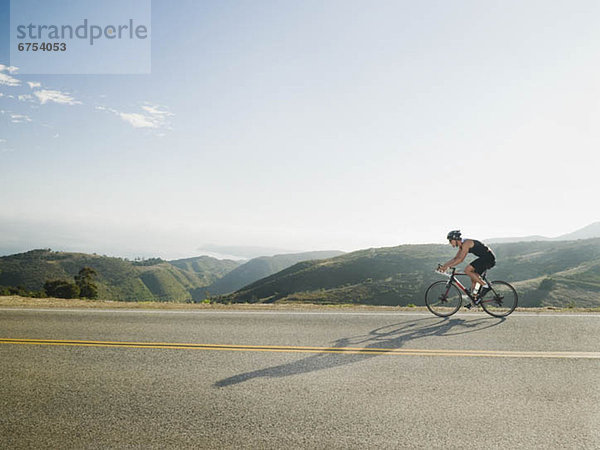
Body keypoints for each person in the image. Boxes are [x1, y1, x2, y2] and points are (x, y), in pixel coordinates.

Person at [439, 230, 496, 302]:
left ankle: (485, 286)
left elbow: (460, 259)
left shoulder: (466, 243)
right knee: (473, 278)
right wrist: (444, 265)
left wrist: (447, 267)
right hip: (484, 258)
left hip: (488, 258)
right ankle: (475, 299)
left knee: (467, 270)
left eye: (450, 241)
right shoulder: (461, 246)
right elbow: (455, 258)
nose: (450, 243)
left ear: (455, 239)